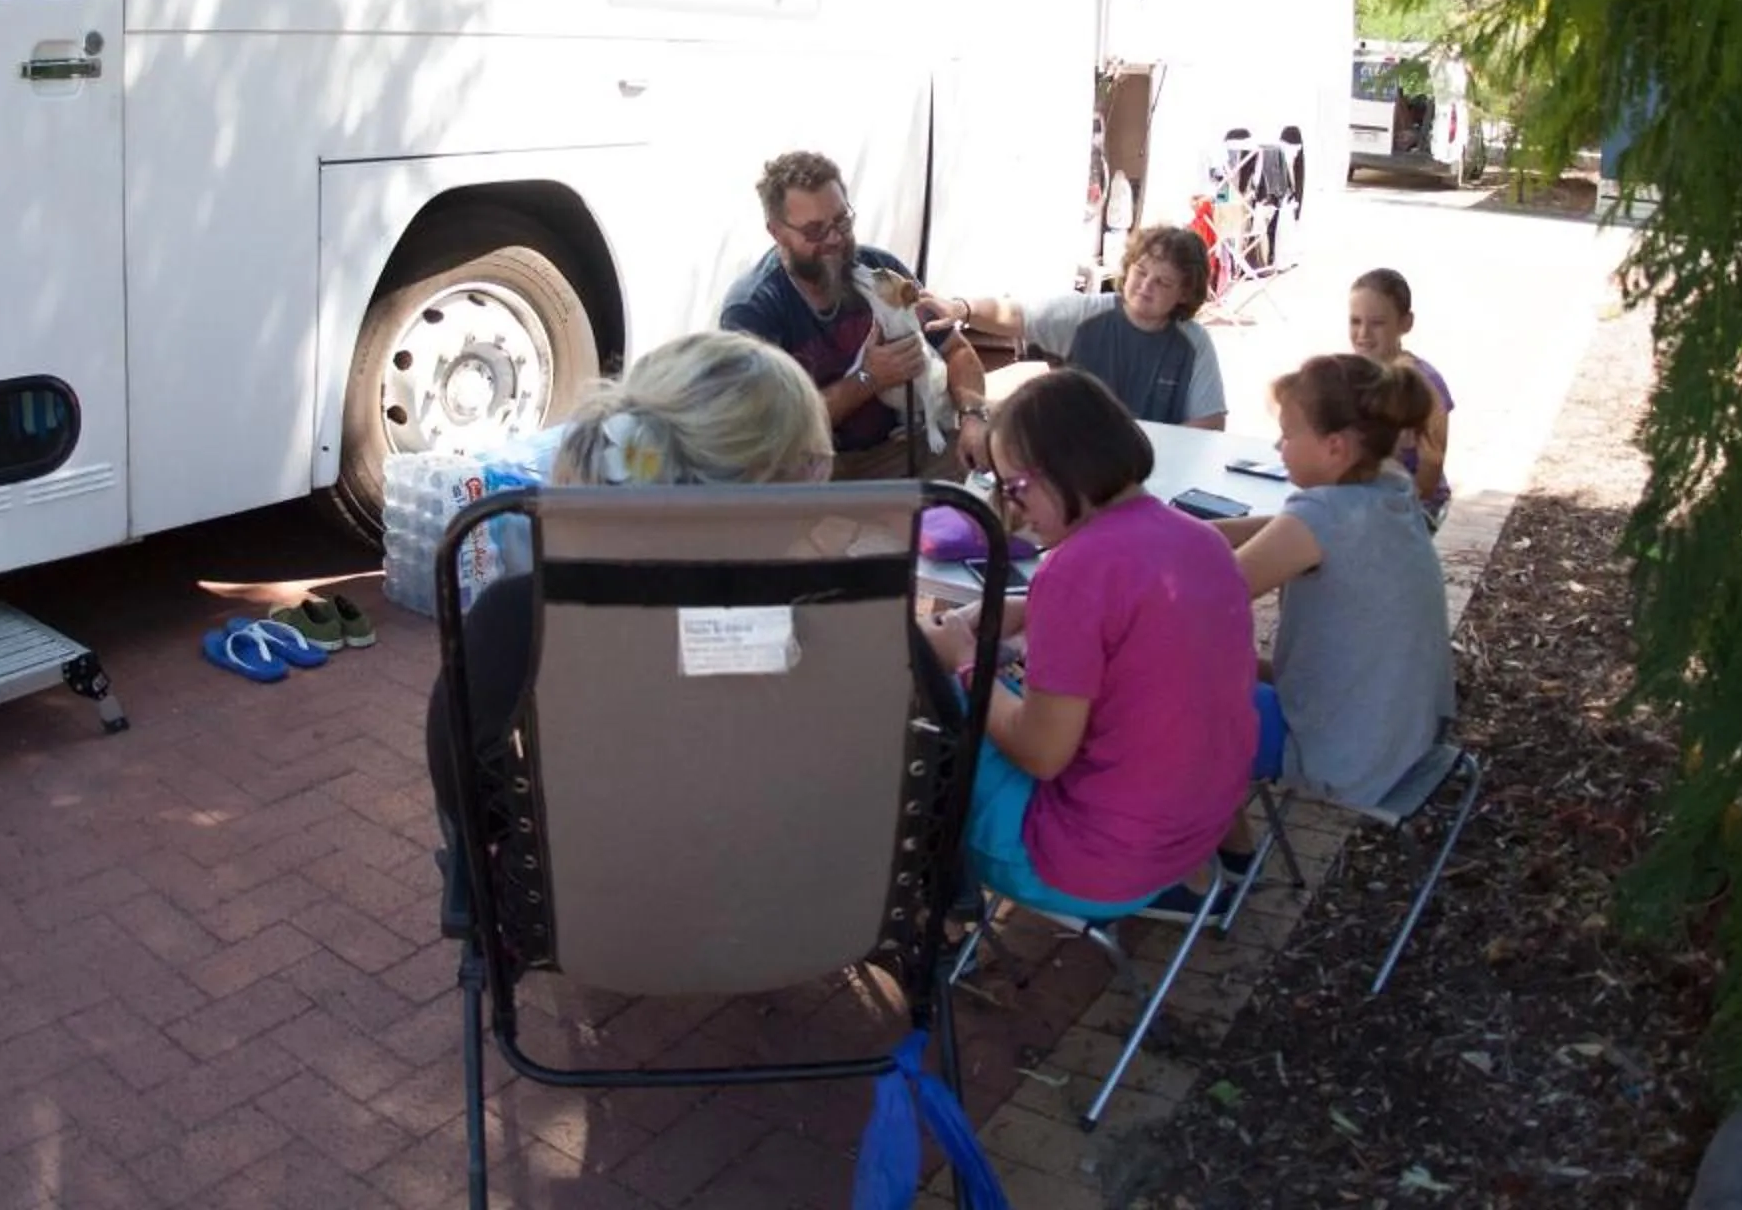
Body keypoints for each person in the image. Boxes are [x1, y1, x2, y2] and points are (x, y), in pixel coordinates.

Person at [425, 331, 834, 827]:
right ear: (779, 493)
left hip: (566, 902)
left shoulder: (516, 622)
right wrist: (931, 660)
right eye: (817, 467)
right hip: (789, 902)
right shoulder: (844, 630)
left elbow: (462, 797)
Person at [919, 370, 1256, 920]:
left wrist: (964, 660)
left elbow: (1042, 753)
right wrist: (1028, 607)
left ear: (1062, 470)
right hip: (1193, 834)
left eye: (1014, 488)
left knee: (927, 715)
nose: (1011, 508)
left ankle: (926, 921)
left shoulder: (1075, 572)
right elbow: (1131, 606)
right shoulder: (1201, 538)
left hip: (1089, 866)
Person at [1220, 354, 1453, 812]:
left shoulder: (1321, 516)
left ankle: (1209, 862)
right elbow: (1277, 529)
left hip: (1341, 757)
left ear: (1335, 448)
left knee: (1154, 692)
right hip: (1404, 737)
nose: (1277, 446)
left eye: (1287, 434)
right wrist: (1182, 533)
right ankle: (1224, 848)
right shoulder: (1390, 484)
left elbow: (1206, 596)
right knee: (1218, 670)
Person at [718, 149, 991, 477]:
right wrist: (868, 378)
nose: (835, 239)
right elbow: (768, 434)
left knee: (1009, 448)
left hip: (901, 448)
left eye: (842, 221)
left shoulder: (879, 269)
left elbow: (955, 348)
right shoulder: (753, 310)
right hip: (816, 468)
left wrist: (974, 416)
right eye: (815, 231)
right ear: (777, 232)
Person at [947, 224, 1226, 429]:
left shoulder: (1194, 343)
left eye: (1163, 282)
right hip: (1077, 462)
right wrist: (962, 308)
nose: (1145, 286)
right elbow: (1013, 314)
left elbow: (1209, 425)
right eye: (1140, 271)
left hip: (1156, 467)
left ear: (1186, 293)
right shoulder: (1086, 314)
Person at [1347, 266, 1454, 524]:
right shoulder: (1352, 373)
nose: (1363, 334)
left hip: (1415, 505)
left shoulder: (1422, 384)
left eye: (1377, 323)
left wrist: (1394, 514)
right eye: (1355, 321)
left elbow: (1431, 464)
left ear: (1405, 323)